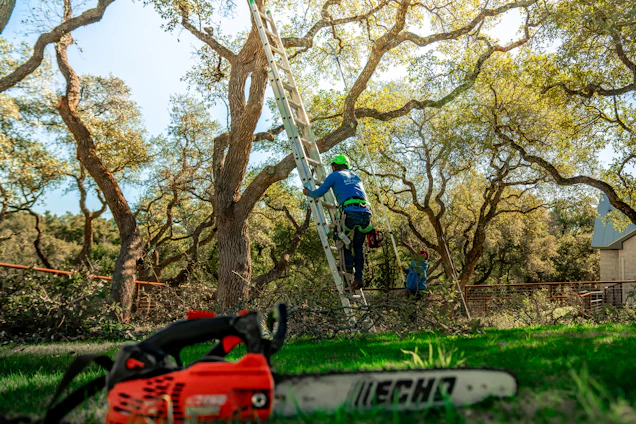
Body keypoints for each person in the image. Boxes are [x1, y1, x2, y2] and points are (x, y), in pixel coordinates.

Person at [303, 154, 372, 290]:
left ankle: (347, 265)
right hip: (366, 214)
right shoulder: (356, 177)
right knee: (358, 247)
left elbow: (318, 193)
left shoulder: (334, 175)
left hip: (350, 212)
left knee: (339, 236)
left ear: (334, 166)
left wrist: (308, 192)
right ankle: (359, 277)